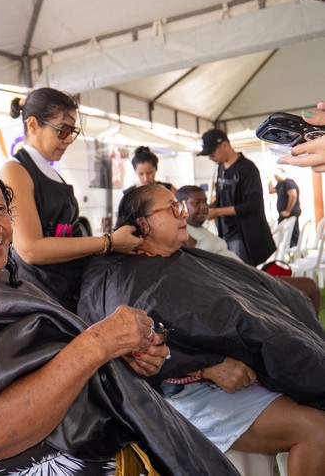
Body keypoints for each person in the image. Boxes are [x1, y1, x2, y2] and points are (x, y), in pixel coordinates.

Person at [0, 156, 239, 476]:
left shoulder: (9, 283)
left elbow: (51, 364)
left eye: (0, 209)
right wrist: (97, 345)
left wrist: (123, 356)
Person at [78, 184, 325, 476]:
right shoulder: (121, 277)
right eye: (172, 208)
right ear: (143, 223)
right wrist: (207, 368)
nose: (182, 213)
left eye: (180, 206)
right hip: (181, 395)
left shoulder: (184, 259)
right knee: (317, 431)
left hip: (233, 372)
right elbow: (134, 358)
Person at [0, 88, 141, 311]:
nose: (68, 140)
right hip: (41, 298)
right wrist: (109, 241)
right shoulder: (15, 172)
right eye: (62, 130)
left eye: (72, 132)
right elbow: (30, 249)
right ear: (33, 125)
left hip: (65, 290)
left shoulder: (47, 170)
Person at [177, 184, 320, 314]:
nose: (203, 206)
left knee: (308, 288)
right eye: (197, 203)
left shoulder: (199, 228)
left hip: (249, 277)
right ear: (182, 207)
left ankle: (308, 335)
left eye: (204, 201)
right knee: (310, 287)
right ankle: (314, 337)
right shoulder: (185, 233)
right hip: (242, 284)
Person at [197, 128, 276, 265]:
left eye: (212, 153)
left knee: (242, 274)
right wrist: (212, 206)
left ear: (225, 145)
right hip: (226, 231)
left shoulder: (248, 168)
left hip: (244, 234)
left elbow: (253, 205)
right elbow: (224, 197)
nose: (210, 157)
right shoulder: (221, 168)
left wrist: (217, 212)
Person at [268, 167, 301, 247]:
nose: (276, 177)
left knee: (293, 234)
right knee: (282, 233)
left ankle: (294, 250)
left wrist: (288, 211)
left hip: (291, 213)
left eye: (277, 175)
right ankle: (286, 249)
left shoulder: (288, 182)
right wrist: (269, 181)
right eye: (274, 176)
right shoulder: (280, 184)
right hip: (283, 214)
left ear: (283, 173)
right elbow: (271, 191)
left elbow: (293, 195)